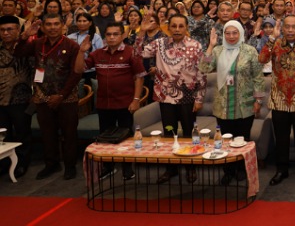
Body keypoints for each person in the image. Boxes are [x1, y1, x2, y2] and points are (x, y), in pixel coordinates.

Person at [135, 13, 207, 184]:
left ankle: (191, 167)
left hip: (188, 98)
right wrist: (141, 33)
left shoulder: (195, 45)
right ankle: (171, 168)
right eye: (173, 26)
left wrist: (199, 98)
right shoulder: (159, 44)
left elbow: (201, 72)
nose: (177, 29)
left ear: (186, 28)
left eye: (181, 26)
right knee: (169, 132)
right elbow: (138, 54)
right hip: (165, 97)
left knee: (189, 133)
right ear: (168, 28)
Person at [75, 21, 145, 181]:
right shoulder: (97, 54)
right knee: (105, 137)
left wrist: (136, 100)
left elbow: (139, 77)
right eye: (109, 34)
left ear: (122, 35)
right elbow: (79, 70)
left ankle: (128, 168)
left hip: (125, 103)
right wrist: (81, 52)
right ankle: (108, 167)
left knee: (126, 137)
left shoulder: (130, 52)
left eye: (115, 34)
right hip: (104, 104)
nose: (112, 37)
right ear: (104, 36)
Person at [15, 14, 82, 180]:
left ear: (62, 26)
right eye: (49, 24)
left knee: (69, 134)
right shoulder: (37, 43)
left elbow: (76, 74)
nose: (52, 27)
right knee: (48, 134)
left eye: (56, 24)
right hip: (42, 96)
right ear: (43, 27)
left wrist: (61, 95)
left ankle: (70, 166)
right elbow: (19, 53)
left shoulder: (72, 45)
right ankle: (51, 164)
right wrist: (24, 37)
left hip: (66, 97)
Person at [200, 21, 266, 185]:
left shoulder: (250, 51)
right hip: (222, 105)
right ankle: (228, 171)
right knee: (225, 140)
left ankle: (241, 168)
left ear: (241, 33)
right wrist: (210, 46)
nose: (231, 36)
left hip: (245, 104)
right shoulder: (217, 50)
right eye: (228, 33)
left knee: (242, 139)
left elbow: (258, 77)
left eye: (234, 33)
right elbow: (204, 68)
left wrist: (258, 100)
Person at [259, 15, 295, 187]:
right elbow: (262, 59)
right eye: (287, 27)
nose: (290, 30)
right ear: (282, 28)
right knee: (281, 138)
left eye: (294, 27)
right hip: (279, 98)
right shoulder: (275, 44)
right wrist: (271, 38)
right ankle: (281, 170)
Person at [0, 15, 34, 178]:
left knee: (22, 133)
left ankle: (22, 163)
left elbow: (36, 70)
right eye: (2, 30)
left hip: (21, 99)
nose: (6, 33)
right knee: (3, 134)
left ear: (18, 30)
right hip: (0, 100)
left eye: (10, 29)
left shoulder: (26, 48)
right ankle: (4, 163)